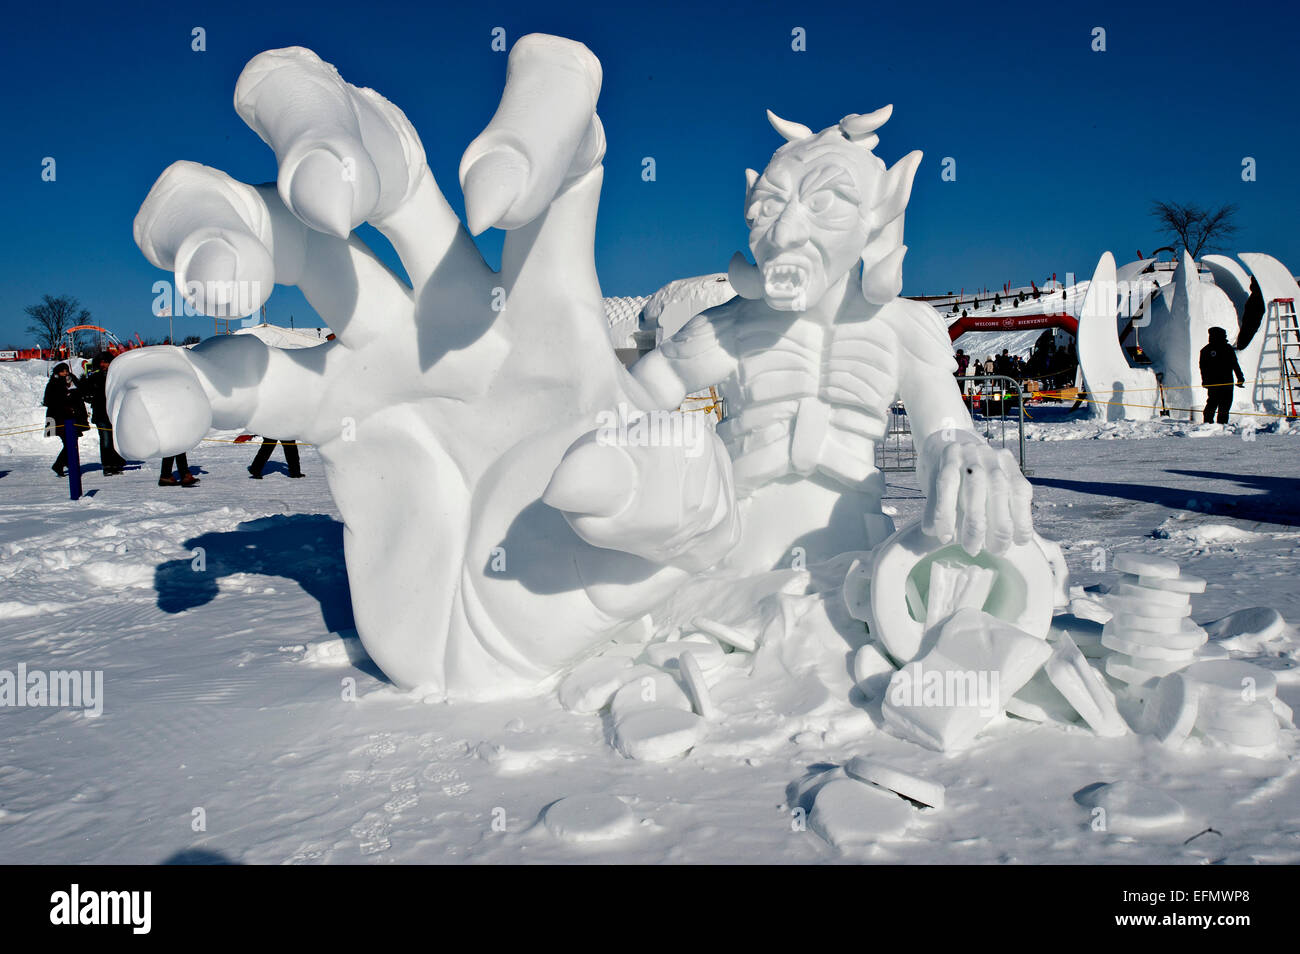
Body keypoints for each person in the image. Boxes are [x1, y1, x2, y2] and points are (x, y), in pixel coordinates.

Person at [82, 352, 126, 475]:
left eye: (105, 362)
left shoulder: (117, 377)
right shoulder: (94, 378)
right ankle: (107, 465)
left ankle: (116, 463)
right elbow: (85, 393)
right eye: (101, 362)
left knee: (116, 439)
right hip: (101, 413)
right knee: (106, 440)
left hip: (115, 412)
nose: (103, 364)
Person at [42, 363, 83, 477]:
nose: (65, 373)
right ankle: (60, 464)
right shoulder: (53, 384)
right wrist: (66, 399)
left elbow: (79, 392)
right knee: (69, 442)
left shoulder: (70, 382)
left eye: (66, 371)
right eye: (63, 371)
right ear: (57, 372)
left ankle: (66, 463)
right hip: (59, 417)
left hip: (70, 417)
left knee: (72, 441)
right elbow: (48, 401)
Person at [1199, 326, 1245, 424]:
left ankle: (1208, 424)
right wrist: (1240, 378)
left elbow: (1203, 368)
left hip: (1214, 383)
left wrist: (1205, 381)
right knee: (1224, 406)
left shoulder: (1205, 350)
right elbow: (1235, 365)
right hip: (1226, 382)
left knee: (1212, 403)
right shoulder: (1227, 349)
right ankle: (1221, 425)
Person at [1235, 276, 1265, 351]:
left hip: (1251, 321)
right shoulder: (1257, 296)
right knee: (1247, 333)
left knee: (1247, 333)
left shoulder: (1256, 296)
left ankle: (1242, 346)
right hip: (1250, 321)